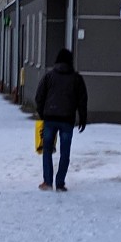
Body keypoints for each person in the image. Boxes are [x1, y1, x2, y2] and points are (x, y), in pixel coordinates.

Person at [34, 48, 87, 192]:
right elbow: (82, 99)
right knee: (65, 152)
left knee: (47, 150)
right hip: (67, 120)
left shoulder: (49, 76)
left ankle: (47, 181)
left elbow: (39, 96)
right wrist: (82, 118)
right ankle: (60, 182)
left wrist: (42, 114)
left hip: (50, 118)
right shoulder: (76, 79)